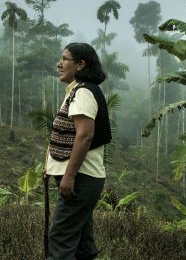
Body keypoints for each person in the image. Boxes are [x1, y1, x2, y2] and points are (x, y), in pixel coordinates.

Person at [45, 42, 111, 260]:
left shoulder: (83, 92)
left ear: (81, 64)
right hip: (82, 179)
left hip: (81, 179)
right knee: (82, 243)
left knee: (60, 238)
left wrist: (69, 175)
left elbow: (84, 135)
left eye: (65, 59)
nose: (59, 63)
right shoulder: (78, 90)